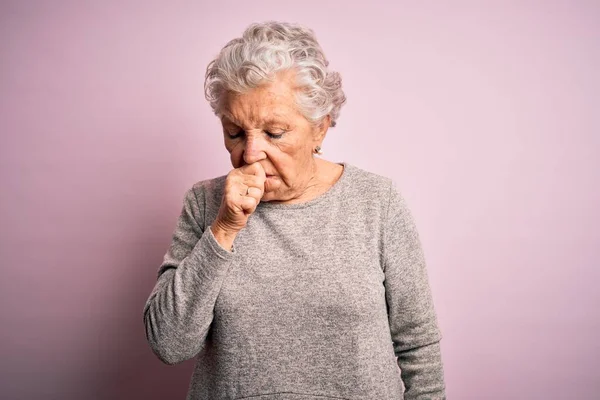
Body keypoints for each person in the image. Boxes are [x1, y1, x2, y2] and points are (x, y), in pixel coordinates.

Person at [143, 21, 446, 400]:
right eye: (235, 132)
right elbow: (169, 344)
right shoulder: (205, 204)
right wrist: (224, 228)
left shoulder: (377, 202)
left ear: (319, 129)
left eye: (274, 133)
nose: (250, 153)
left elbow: (418, 345)